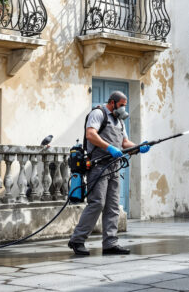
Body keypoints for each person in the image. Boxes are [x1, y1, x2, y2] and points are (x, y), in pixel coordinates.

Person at [68, 91, 149, 256]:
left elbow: (125, 142)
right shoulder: (98, 114)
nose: (123, 108)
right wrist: (109, 148)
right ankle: (77, 239)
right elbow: (90, 134)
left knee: (113, 206)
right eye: (121, 105)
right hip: (98, 166)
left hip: (114, 167)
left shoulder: (119, 121)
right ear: (112, 103)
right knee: (97, 203)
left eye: (125, 105)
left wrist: (138, 147)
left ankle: (110, 244)